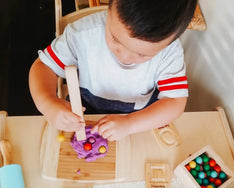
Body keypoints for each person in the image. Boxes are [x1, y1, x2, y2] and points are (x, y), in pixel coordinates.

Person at [29, 0, 197, 141]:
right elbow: (43, 66)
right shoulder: (82, 34)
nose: (124, 57)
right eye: (115, 39)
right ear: (109, 9)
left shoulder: (169, 52)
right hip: (85, 112)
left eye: (141, 54)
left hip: (141, 119)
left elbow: (175, 102)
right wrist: (47, 103)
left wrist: (129, 124)